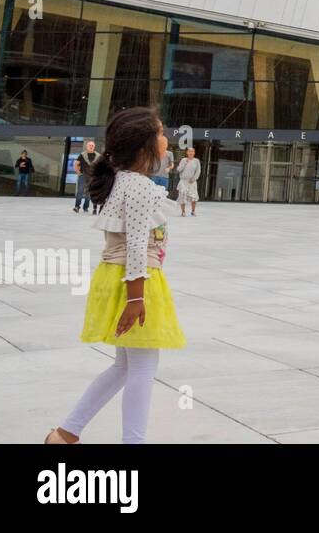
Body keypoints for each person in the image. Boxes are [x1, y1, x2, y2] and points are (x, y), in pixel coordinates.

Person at [44, 107, 186, 445]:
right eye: (162, 132)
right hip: (135, 281)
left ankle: (65, 434)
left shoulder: (125, 180)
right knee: (141, 369)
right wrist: (136, 298)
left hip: (120, 277)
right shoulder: (139, 186)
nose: (167, 138)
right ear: (144, 146)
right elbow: (136, 244)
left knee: (124, 366)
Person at [73, 140, 99, 213]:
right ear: (87, 146)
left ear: (94, 147)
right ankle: (77, 207)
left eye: (92, 145)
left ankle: (85, 208)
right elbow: (76, 164)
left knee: (88, 194)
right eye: (89, 145)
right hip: (83, 176)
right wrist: (78, 173)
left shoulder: (98, 156)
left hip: (92, 177)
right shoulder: (82, 155)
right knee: (80, 192)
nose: (91, 147)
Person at [176, 147, 202, 216]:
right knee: (182, 196)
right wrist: (185, 163)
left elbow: (198, 171)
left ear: (194, 153)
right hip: (183, 181)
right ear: (187, 152)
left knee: (194, 197)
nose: (191, 153)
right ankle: (183, 212)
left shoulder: (196, 161)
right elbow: (179, 169)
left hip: (192, 182)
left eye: (192, 151)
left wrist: (194, 178)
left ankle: (193, 211)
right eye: (189, 151)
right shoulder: (183, 160)